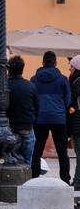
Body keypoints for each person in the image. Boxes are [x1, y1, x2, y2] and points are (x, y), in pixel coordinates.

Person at [30, 50, 71, 182]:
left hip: (40, 118)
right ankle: (65, 179)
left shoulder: (34, 80)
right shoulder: (63, 80)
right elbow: (68, 101)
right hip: (59, 118)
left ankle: (34, 177)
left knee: (37, 150)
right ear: (56, 63)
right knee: (62, 151)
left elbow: (31, 99)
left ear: (42, 63)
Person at [7, 55, 38, 165]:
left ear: (8, 69)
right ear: (22, 69)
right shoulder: (30, 86)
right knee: (27, 161)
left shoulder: (5, 86)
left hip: (9, 127)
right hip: (26, 126)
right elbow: (37, 107)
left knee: (12, 162)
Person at [68, 56, 80, 191]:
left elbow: (71, 105)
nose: (69, 68)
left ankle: (78, 181)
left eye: (71, 66)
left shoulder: (77, 82)